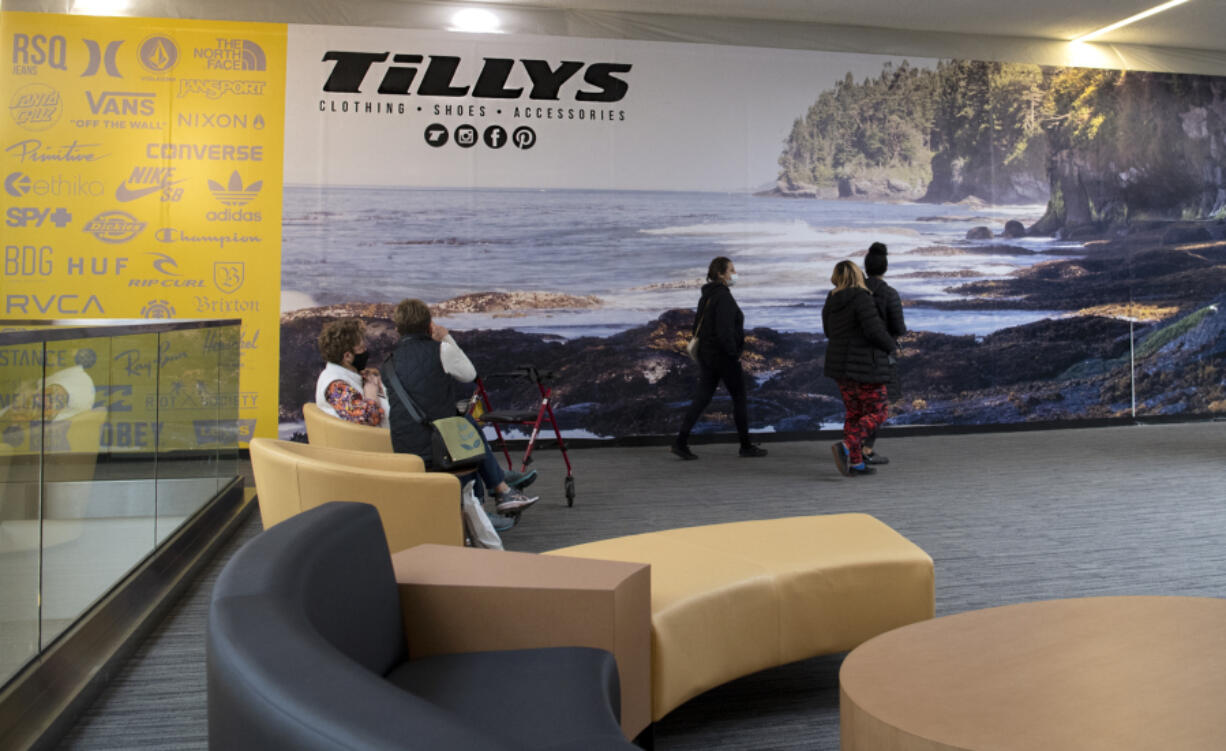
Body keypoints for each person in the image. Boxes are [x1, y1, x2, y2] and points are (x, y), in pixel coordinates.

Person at [383, 298, 538, 521]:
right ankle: (493, 501)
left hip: (404, 447)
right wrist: (445, 337)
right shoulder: (440, 350)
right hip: (438, 446)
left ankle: (499, 492)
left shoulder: (388, 364)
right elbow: (469, 374)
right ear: (429, 326)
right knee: (465, 431)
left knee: (465, 425)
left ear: (398, 330)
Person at [671, 256, 768, 460]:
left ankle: (680, 441)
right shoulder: (723, 296)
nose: (735, 274)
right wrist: (732, 353)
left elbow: (698, 325)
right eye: (731, 270)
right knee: (739, 398)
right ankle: (746, 446)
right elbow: (724, 330)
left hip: (707, 355)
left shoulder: (707, 295)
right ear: (720, 274)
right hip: (723, 356)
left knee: (702, 398)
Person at [822, 260, 897, 477]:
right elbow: (874, 331)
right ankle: (846, 446)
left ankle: (855, 463)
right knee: (879, 411)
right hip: (865, 365)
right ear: (858, 276)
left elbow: (828, 331)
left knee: (854, 414)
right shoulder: (861, 298)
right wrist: (891, 346)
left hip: (839, 367)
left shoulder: (831, 299)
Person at [861, 242, 906, 465]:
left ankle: (854, 447)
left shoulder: (856, 293)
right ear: (885, 268)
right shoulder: (889, 293)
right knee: (879, 405)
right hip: (881, 358)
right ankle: (866, 449)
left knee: (859, 407)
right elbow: (898, 328)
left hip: (856, 356)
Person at [315, 318, 390, 426]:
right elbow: (368, 417)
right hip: (378, 441)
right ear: (347, 356)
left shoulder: (349, 374)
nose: (365, 351)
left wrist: (375, 383)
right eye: (362, 348)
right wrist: (371, 393)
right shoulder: (335, 386)